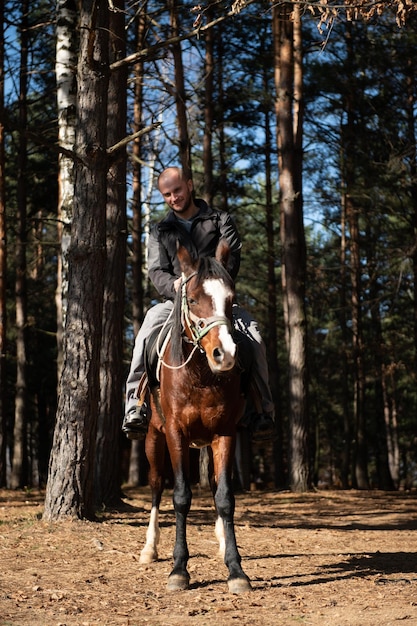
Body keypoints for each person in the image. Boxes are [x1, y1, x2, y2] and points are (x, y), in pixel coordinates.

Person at [123, 166, 275, 441]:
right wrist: (175, 285)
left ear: (190, 186)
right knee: (145, 334)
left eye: (177, 190)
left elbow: (231, 260)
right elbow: (156, 270)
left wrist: (205, 282)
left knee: (254, 335)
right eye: (166, 194)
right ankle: (135, 406)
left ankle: (261, 411)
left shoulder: (220, 220)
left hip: (216, 303)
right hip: (175, 301)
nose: (173, 198)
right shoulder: (161, 230)